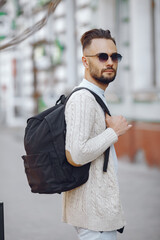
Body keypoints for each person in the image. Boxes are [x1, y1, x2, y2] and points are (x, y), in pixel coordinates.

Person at [62, 28, 132, 240]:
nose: (109, 61)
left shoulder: (95, 96)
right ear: (85, 62)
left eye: (114, 56)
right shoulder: (83, 99)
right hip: (94, 217)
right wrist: (113, 132)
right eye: (102, 56)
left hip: (97, 214)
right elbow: (76, 154)